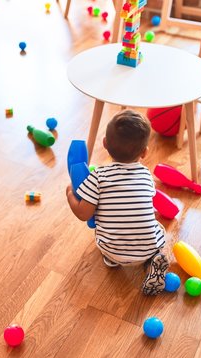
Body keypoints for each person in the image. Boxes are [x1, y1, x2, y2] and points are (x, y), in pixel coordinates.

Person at [66, 109, 168, 295]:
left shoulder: (98, 176)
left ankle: (112, 259)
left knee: (106, 229)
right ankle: (152, 260)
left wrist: (70, 195)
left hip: (113, 249)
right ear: (144, 152)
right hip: (147, 246)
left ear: (104, 143)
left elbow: (83, 214)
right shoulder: (146, 175)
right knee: (157, 227)